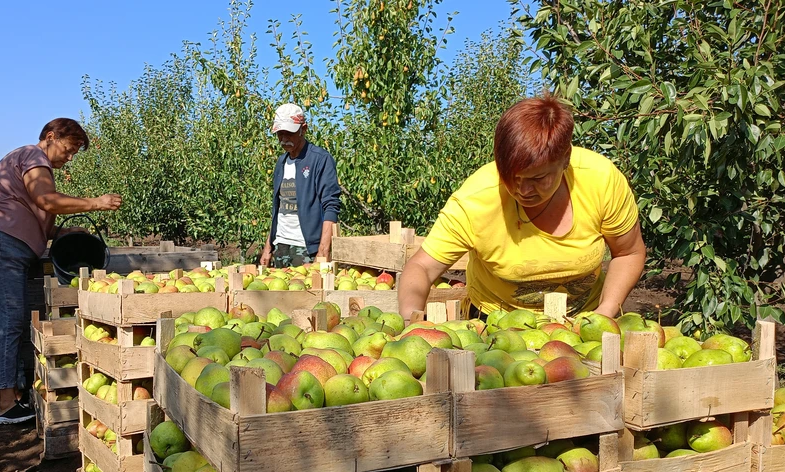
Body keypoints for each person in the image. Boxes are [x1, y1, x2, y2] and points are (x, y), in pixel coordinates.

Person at [398, 95, 646, 320]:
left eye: (538, 179)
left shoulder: (599, 181)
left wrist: (606, 311)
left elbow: (628, 253)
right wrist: (412, 320)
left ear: (565, 159)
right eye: (511, 178)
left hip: (583, 322)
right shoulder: (476, 200)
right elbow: (421, 267)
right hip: (496, 327)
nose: (522, 191)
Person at [0, 118, 122, 424]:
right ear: (50, 137)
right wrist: (95, 203)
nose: (70, 156)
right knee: (7, 320)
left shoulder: (26, 161)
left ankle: (15, 394)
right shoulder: (34, 157)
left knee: (12, 318)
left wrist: (59, 234)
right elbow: (46, 200)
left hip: (3, 242)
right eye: (69, 147)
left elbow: (32, 213)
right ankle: (6, 405)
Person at [259, 103, 341, 268]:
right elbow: (279, 207)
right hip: (281, 245)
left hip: (306, 248)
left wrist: (323, 252)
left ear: (303, 129)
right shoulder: (281, 162)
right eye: (279, 134)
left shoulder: (320, 159)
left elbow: (331, 206)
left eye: (289, 134)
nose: (283, 140)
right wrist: (268, 246)